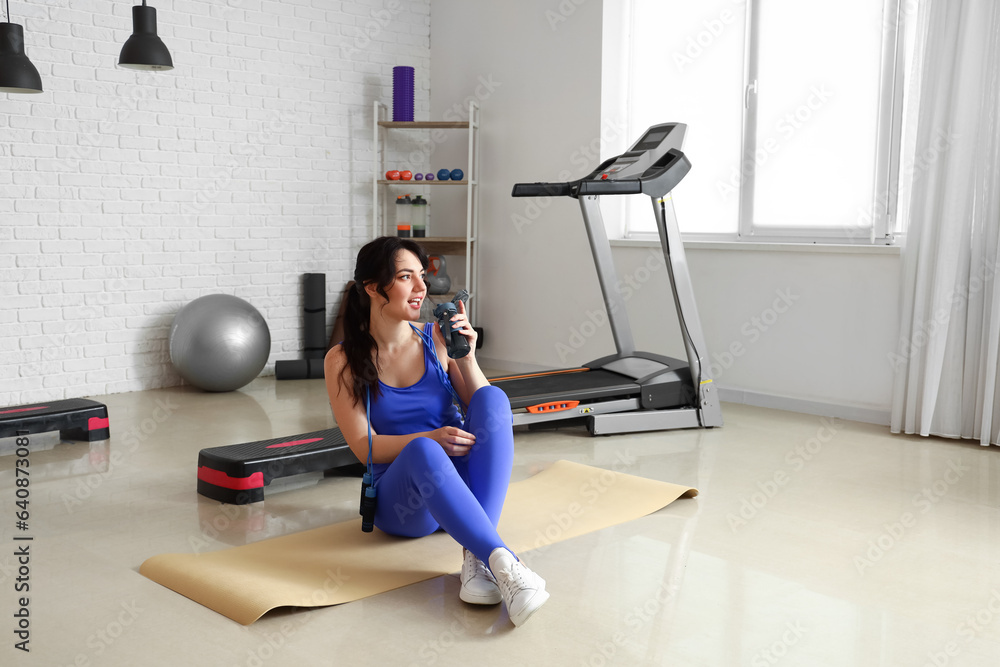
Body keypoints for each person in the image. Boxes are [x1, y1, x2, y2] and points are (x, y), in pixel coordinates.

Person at [324, 236, 549, 627]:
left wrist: (468, 358)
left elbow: (482, 411)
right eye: (406, 277)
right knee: (424, 452)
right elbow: (365, 448)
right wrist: (428, 439)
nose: (421, 288)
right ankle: (506, 563)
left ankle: (479, 560)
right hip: (404, 505)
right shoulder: (343, 359)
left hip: (457, 485)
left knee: (494, 399)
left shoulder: (434, 339)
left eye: (421, 277)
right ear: (375, 287)